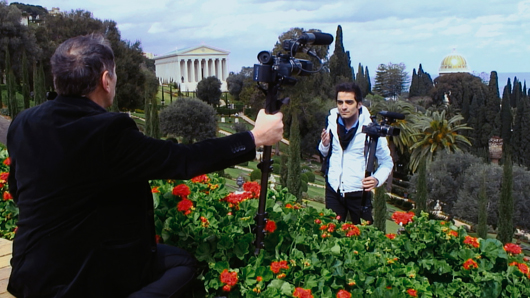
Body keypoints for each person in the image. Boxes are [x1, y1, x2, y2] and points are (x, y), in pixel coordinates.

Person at [6, 34, 283, 298]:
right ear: (106, 80)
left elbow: (19, 192)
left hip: (30, 272)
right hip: (80, 280)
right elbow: (182, 160)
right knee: (182, 265)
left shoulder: (24, 122)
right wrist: (254, 137)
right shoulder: (108, 131)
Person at [318, 82, 393, 224]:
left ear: (359, 104)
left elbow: (386, 161)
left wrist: (377, 179)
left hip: (358, 192)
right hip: (334, 188)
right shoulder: (332, 121)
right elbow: (324, 152)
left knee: (362, 238)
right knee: (329, 234)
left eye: (349, 102)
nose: (343, 107)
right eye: (340, 102)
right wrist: (325, 144)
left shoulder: (372, 128)